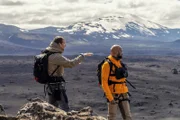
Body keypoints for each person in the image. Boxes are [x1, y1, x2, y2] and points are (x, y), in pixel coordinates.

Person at [44, 36, 93, 112]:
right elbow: (71, 64)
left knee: (52, 108)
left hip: (49, 85)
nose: (65, 45)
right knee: (65, 108)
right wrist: (82, 56)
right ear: (59, 44)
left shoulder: (47, 54)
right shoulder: (56, 56)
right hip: (57, 86)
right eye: (64, 43)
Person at [101, 45, 132, 120]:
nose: (122, 53)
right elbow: (104, 82)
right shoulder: (107, 64)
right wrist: (110, 98)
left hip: (124, 93)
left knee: (127, 116)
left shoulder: (119, 63)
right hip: (113, 94)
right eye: (120, 51)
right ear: (115, 52)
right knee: (112, 116)